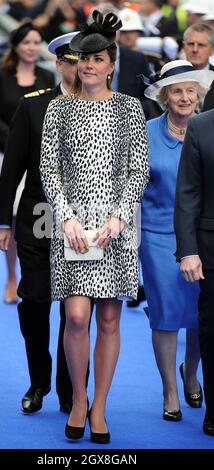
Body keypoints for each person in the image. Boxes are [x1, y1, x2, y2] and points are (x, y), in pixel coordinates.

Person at [40, 10, 149, 443]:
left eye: (98, 59)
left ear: (112, 63)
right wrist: (65, 217)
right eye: (83, 59)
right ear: (75, 63)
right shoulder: (58, 110)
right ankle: (79, 399)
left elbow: (137, 170)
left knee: (107, 318)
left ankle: (100, 406)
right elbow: (50, 170)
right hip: (71, 227)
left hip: (115, 227)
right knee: (77, 315)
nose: (89, 66)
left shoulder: (128, 108)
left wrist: (119, 217)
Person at [0, 32, 79, 414]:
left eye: (85, 60)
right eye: (70, 60)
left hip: (85, 225)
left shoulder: (106, 109)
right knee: (34, 302)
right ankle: (38, 380)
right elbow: (11, 169)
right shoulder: (32, 107)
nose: (77, 67)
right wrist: (1, 222)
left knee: (76, 312)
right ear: (57, 64)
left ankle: (68, 388)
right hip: (37, 218)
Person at [140, 59, 214, 421]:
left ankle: (192, 370)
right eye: (176, 92)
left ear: (199, 95)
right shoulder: (146, 133)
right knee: (166, 315)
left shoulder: (206, 129)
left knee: (202, 312)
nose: (184, 97)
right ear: (164, 97)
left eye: (190, 91)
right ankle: (170, 388)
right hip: (156, 235)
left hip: (201, 236)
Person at [0, 21, 54, 304]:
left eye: (36, 42)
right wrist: (17, 143)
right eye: (26, 42)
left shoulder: (48, 77)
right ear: (16, 46)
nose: (31, 47)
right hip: (5, 156)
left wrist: (31, 147)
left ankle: (42, 273)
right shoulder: (0, 76)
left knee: (40, 215)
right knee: (12, 218)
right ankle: (12, 277)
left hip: (41, 159)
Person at [174, 107, 214, 437]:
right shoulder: (200, 126)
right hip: (210, 247)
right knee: (212, 329)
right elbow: (187, 193)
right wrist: (188, 250)